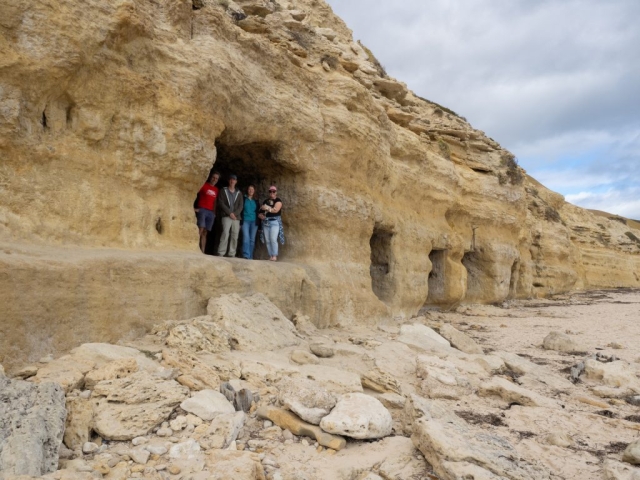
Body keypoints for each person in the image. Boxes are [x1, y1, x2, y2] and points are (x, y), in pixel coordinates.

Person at [217, 174, 243, 257]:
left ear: (236, 181)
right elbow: (221, 203)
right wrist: (230, 213)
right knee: (225, 233)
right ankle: (221, 252)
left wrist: (234, 214)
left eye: (234, 180)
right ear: (229, 181)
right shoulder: (223, 190)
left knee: (235, 235)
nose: (232, 181)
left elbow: (241, 206)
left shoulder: (239, 193)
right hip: (226, 215)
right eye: (231, 179)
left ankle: (232, 253)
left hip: (236, 217)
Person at [194, 171, 220, 253]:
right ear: (210, 177)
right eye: (213, 177)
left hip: (210, 212)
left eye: (216, 178)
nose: (214, 179)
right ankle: (194, 248)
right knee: (200, 229)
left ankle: (202, 251)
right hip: (202, 209)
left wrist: (214, 213)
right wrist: (195, 208)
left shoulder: (216, 189)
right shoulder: (204, 185)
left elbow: (215, 202)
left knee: (205, 232)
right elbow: (194, 193)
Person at [258, 185, 284, 261]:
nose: (272, 193)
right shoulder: (265, 201)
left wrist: (266, 208)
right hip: (266, 222)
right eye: (270, 191)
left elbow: (275, 210)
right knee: (268, 240)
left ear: (276, 192)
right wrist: (260, 216)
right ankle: (270, 255)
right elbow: (260, 212)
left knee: (273, 239)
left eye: (273, 191)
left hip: (274, 222)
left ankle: (274, 255)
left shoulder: (278, 200)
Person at [241, 185, 259, 259]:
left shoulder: (256, 200)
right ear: (247, 190)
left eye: (252, 189)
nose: (251, 190)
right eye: (249, 189)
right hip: (245, 220)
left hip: (254, 221)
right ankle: (246, 255)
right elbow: (240, 209)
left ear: (254, 191)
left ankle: (250, 256)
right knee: (246, 238)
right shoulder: (243, 199)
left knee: (252, 239)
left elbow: (258, 212)